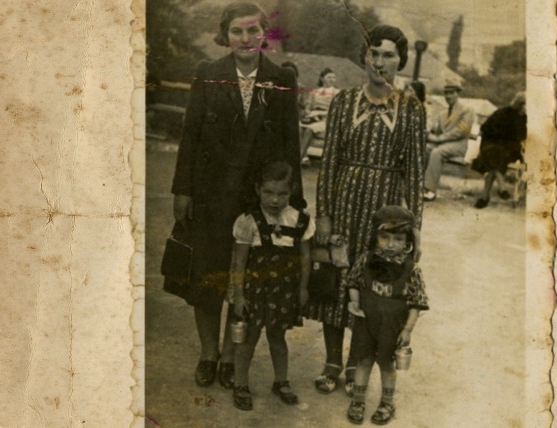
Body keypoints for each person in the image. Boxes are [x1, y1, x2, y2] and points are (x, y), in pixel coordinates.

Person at [170, 1, 304, 392]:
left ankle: (231, 356)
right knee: (207, 277)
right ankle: (208, 353)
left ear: (265, 33)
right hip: (211, 195)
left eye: (252, 31)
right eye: (237, 32)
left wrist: (294, 197)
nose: (245, 39)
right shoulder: (208, 75)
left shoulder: (282, 78)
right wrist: (183, 189)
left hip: (256, 199)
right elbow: (190, 136)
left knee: (242, 280)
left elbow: (290, 141)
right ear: (225, 36)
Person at [306, 24, 425, 397]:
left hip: (385, 214)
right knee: (336, 281)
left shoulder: (411, 108)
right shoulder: (343, 102)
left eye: (390, 54)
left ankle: (359, 366)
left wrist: (414, 227)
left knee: (373, 291)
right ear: (365, 57)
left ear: (400, 61)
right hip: (343, 204)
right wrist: (324, 214)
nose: (381, 61)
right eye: (375, 52)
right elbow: (328, 163)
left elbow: (415, 173)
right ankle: (331, 362)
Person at [229, 161, 314, 411]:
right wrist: (239, 295)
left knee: (278, 338)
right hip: (254, 291)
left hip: (284, 290)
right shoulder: (248, 221)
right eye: (269, 192)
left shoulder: (300, 221)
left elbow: (305, 259)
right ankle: (241, 384)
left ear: (292, 191)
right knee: (248, 339)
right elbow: (239, 262)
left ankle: (281, 381)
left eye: (282, 194)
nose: (275, 200)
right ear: (258, 189)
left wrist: (302, 289)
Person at [345, 206, 429, 425]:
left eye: (398, 239)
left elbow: (417, 302)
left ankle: (387, 403)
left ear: (407, 242)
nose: (391, 244)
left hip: (392, 327)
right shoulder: (366, 260)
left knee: (386, 364)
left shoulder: (412, 269)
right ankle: (358, 400)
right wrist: (354, 301)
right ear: (376, 237)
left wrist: (408, 330)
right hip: (366, 322)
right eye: (385, 238)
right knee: (363, 360)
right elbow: (353, 281)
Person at [422, 77, 477, 201]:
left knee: (437, 152)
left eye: (451, 93)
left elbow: (460, 132)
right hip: (443, 144)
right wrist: (428, 131)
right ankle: (421, 185)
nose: (448, 96)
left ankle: (430, 191)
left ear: (458, 94)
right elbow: (436, 129)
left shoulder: (467, 111)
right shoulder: (442, 113)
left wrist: (437, 139)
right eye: (446, 93)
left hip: (459, 146)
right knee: (425, 149)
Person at [471, 92, 527, 208]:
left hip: (511, 149)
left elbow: (521, 137)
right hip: (492, 145)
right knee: (495, 153)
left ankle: (485, 196)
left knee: (494, 157)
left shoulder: (526, 119)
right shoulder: (503, 112)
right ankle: (501, 186)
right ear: (521, 104)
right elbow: (485, 127)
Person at [299, 68, 340, 166]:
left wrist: (319, 114)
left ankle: (299, 157)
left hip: (327, 121)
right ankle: (304, 158)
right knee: (298, 127)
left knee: (309, 129)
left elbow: (337, 110)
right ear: (322, 79)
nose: (332, 80)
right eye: (329, 77)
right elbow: (308, 107)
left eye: (334, 77)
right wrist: (309, 113)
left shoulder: (338, 93)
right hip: (313, 119)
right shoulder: (315, 91)